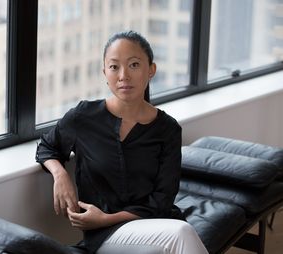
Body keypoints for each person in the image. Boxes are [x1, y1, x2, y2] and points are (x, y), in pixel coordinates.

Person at [36, 30, 208, 254]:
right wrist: (60, 175)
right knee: (181, 235)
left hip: (153, 222)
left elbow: (161, 201)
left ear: (151, 70)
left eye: (134, 65)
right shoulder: (83, 117)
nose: (123, 75)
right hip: (105, 236)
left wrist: (106, 218)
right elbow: (47, 147)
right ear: (104, 72)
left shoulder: (168, 130)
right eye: (114, 67)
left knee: (180, 234)